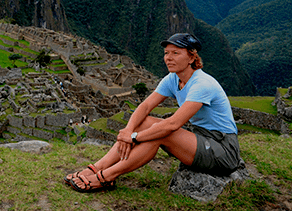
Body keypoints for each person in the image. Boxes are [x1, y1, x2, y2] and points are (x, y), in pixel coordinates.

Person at [64, 33, 241, 193]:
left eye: (175, 53)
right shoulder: (173, 79)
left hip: (223, 149)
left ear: (191, 57)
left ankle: (106, 177)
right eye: (166, 53)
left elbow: (173, 124)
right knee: (146, 121)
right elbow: (145, 107)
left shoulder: (202, 84)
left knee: (161, 132)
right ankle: (97, 168)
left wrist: (133, 137)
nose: (168, 58)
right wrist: (127, 131)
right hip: (201, 139)